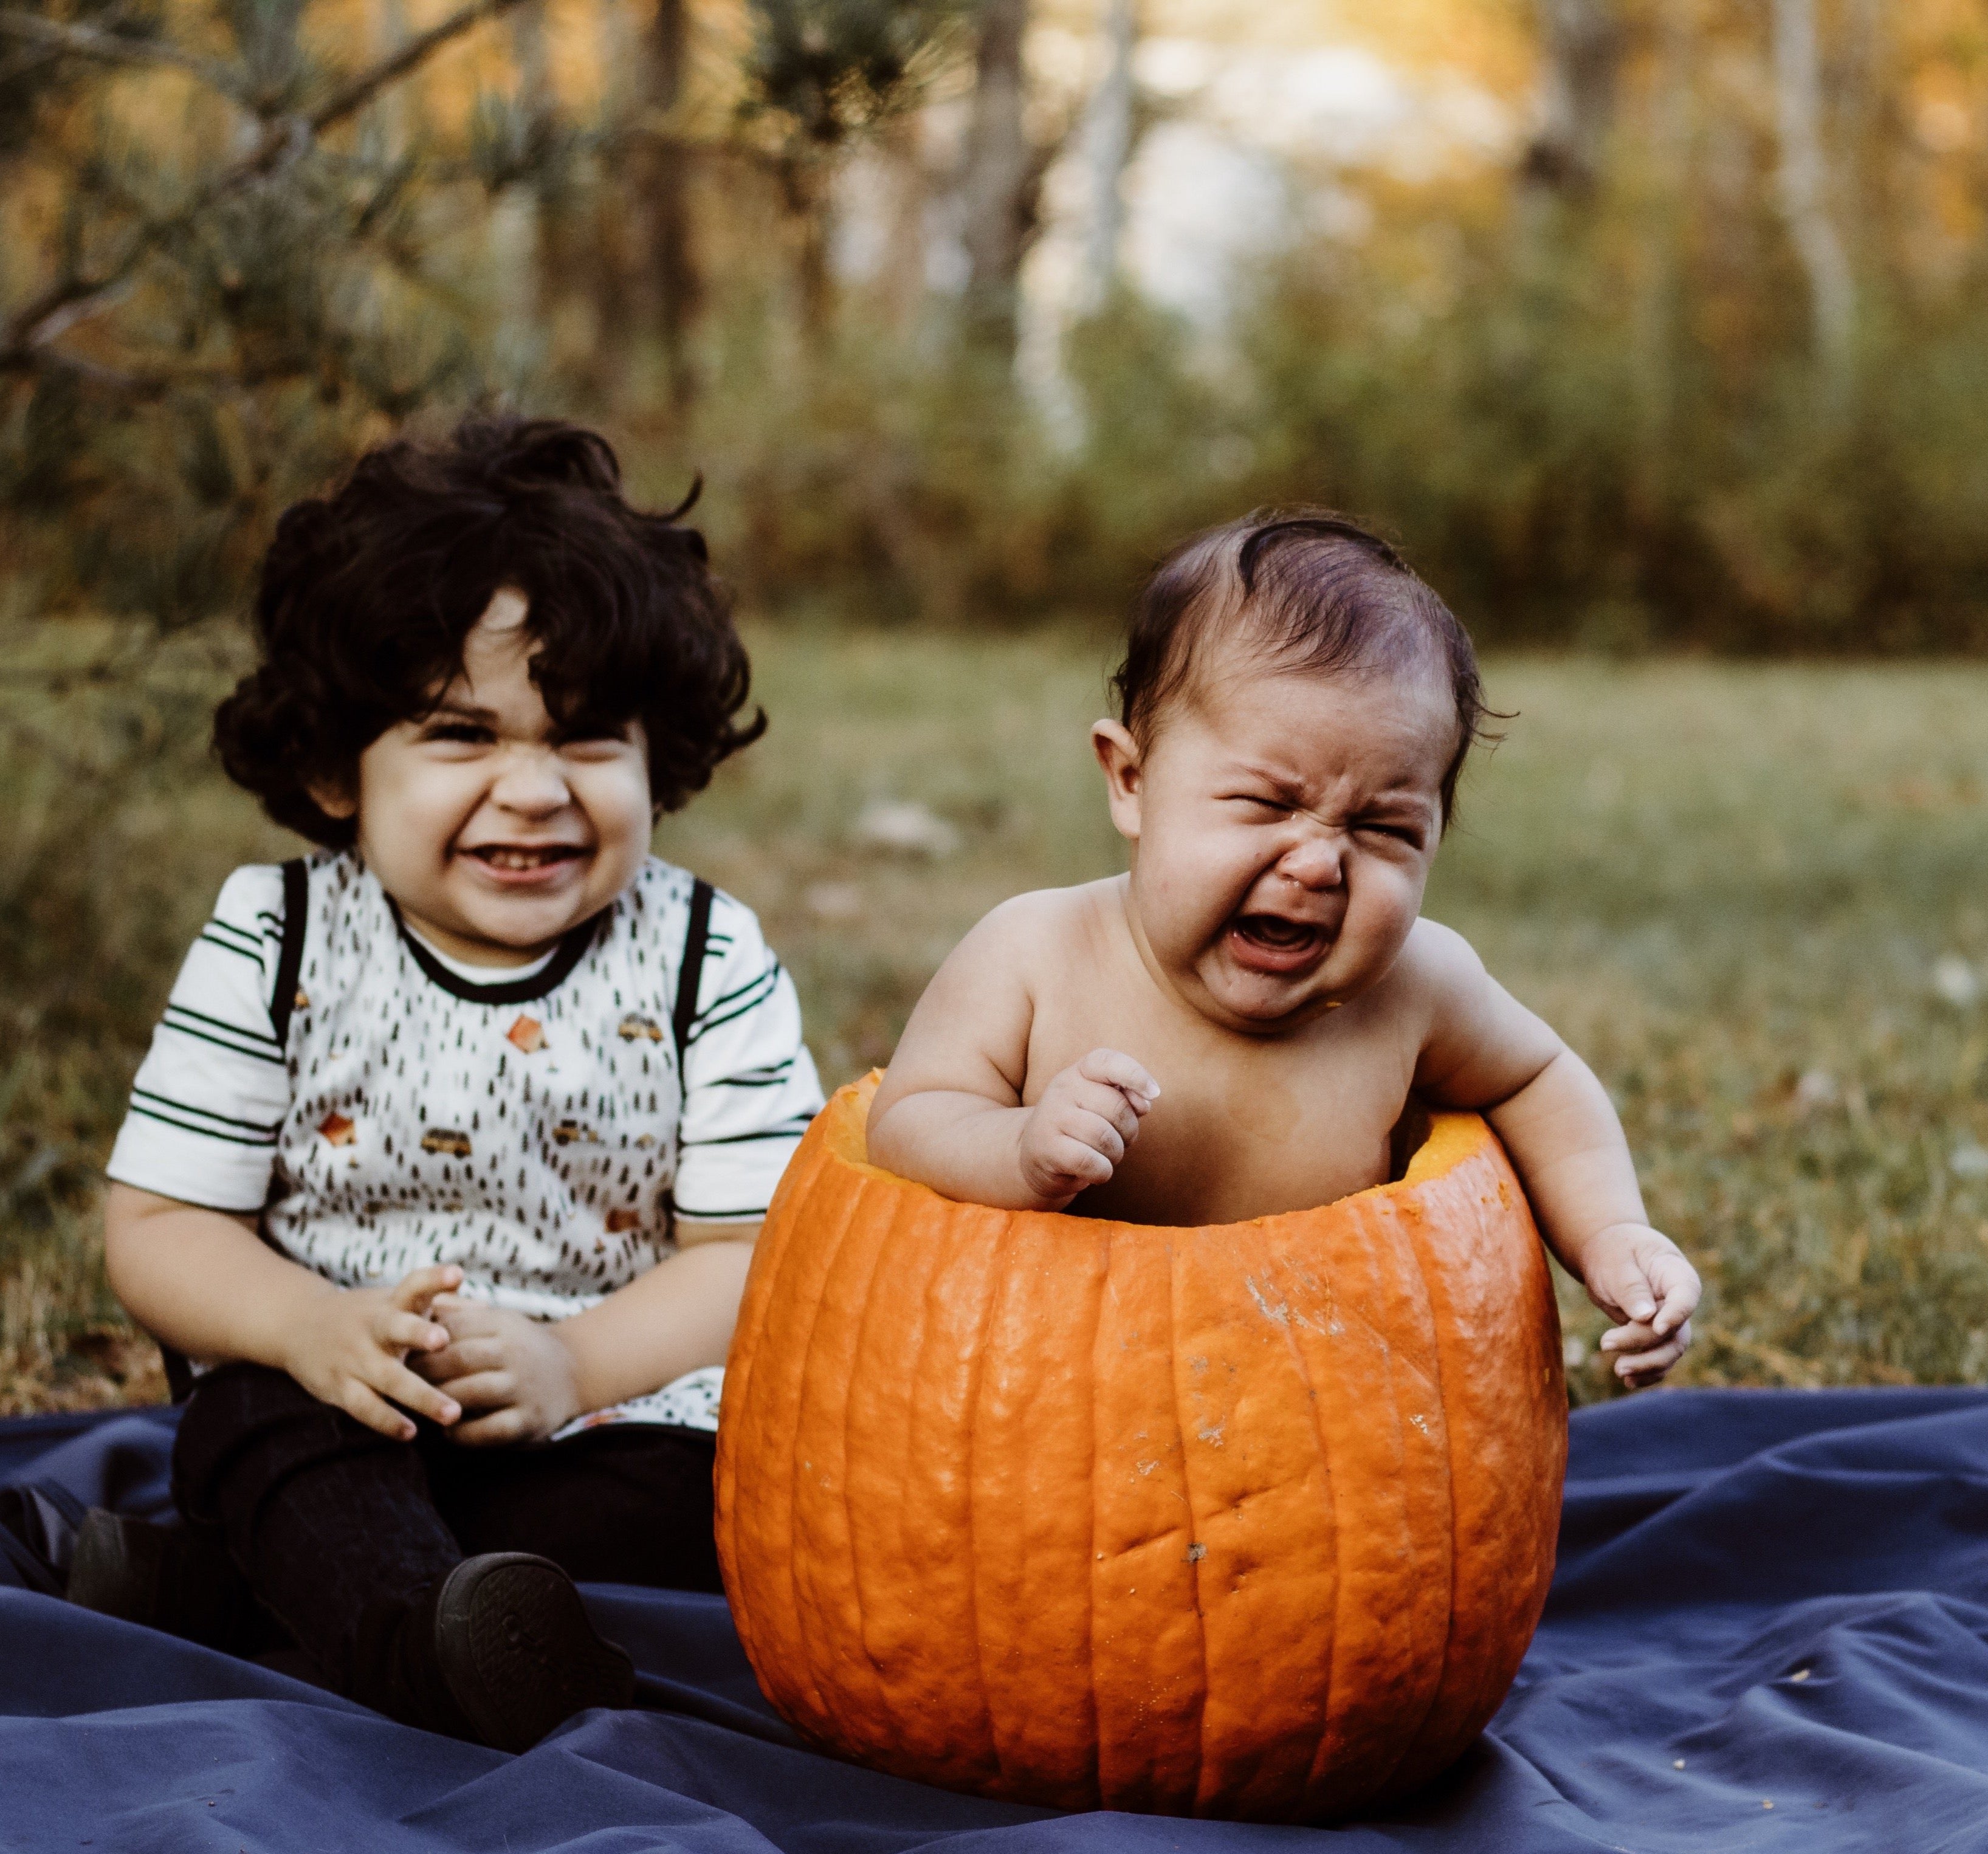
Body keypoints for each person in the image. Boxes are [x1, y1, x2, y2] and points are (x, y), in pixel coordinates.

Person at [90, 418, 822, 1749]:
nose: (533, 788)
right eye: (459, 732)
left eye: (588, 736)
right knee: (259, 1429)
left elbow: (755, 1255)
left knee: (725, 1491)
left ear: (660, 753)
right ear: (333, 768)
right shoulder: (280, 938)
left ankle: (247, 1592)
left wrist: (573, 1361)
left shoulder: (703, 954)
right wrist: (309, 1325)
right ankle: (442, 1653)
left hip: (602, 1414)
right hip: (332, 1392)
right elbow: (158, 1227)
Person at [867, 511, 1699, 1387]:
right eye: (1266, 804)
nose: (1315, 861)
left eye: (1382, 827)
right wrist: (1018, 1149)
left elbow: (1537, 1077)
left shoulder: (1418, 986)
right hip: (1046, 1404)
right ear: (1132, 782)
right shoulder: (1033, 955)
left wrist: (1610, 1233)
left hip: (1324, 1431)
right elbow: (908, 1119)